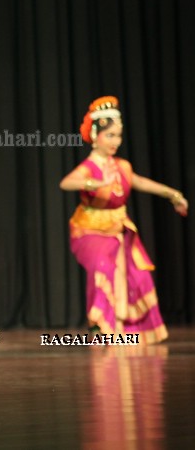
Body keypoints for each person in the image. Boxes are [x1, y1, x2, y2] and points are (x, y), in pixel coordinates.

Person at [59, 97, 187, 343]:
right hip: (89, 231)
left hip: (119, 229)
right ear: (96, 135)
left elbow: (141, 183)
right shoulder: (89, 166)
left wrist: (174, 195)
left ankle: (129, 330)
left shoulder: (122, 166)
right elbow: (66, 183)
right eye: (110, 136)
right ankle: (99, 326)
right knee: (103, 267)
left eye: (118, 136)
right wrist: (93, 183)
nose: (115, 142)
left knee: (138, 275)